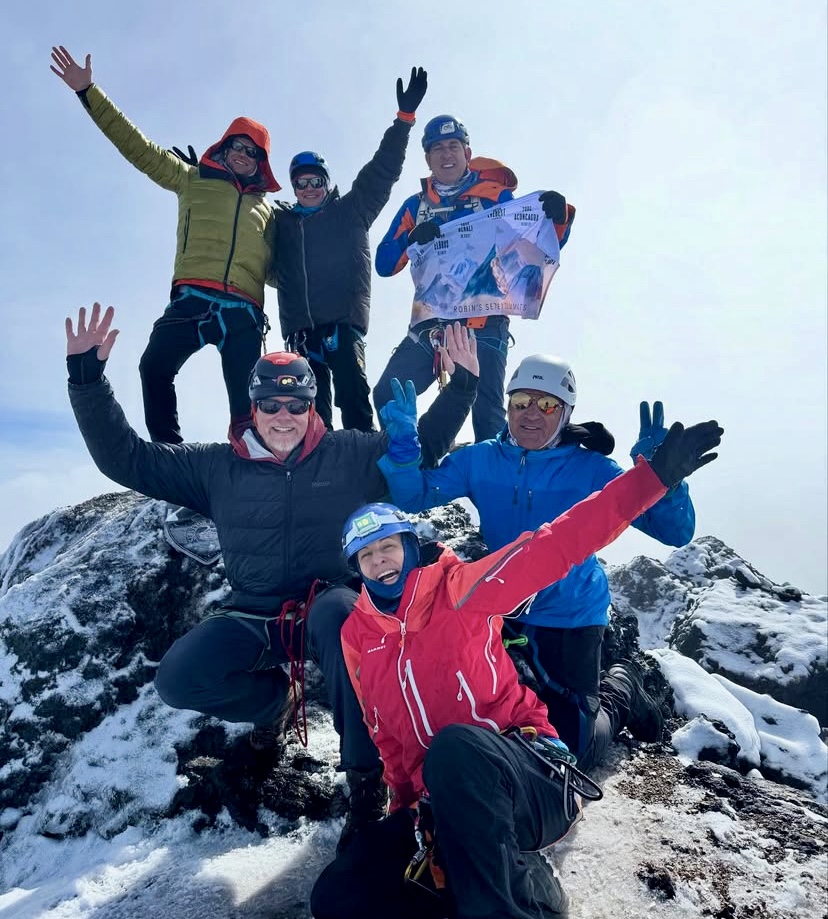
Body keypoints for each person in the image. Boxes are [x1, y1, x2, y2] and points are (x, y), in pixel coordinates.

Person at [64, 303, 478, 846]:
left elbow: (418, 450)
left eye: (296, 403)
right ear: (252, 405)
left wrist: (463, 386)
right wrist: (88, 381)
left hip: (325, 603)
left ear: (312, 406)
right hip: (252, 616)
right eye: (271, 403)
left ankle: (364, 787)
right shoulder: (216, 466)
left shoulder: (348, 454)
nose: (283, 415)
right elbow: (129, 460)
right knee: (178, 678)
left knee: (343, 617)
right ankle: (273, 704)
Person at [310, 415, 722, 919]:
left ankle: (527, 898)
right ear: (356, 568)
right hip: (439, 803)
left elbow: (560, 542)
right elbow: (389, 739)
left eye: (389, 546)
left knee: (454, 749)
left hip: (529, 780)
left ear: (411, 548)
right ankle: (473, 878)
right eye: (366, 554)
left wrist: (651, 479)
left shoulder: (463, 590)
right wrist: (404, 817)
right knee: (337, 896)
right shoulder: (359, 636)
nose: (380, 561)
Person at [377, 354, 703, 773]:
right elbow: (413, 496)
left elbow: (673, 532)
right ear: (508, 406)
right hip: (502, 610)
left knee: (574, 751)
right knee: (491, 721)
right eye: (521, 401)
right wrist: (404, 443)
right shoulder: (480, 460)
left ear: (566, 413)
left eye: (547, 404)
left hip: (569, 615)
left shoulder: (592, 470)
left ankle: (623, 689)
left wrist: (662, 477)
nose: (532, 413)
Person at [51, 45, 280, 445]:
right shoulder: (190, 178)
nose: (244, 155)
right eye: (238, 146)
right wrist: (89, 92)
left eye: (253, 152)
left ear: (262, 163)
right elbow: (138, 149)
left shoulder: (269, 212)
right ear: (224, 148)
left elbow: (281, 271)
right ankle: (169, 456)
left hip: (243, 311)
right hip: (191, 299)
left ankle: (251, 459)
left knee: (250, 398)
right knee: (153, 367)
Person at [372, 114, 576, 442]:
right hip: (432, 326)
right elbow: (384, 263)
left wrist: (557, 218)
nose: (446, 154)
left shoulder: (494, 197)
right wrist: (411, 239)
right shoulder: (417, 205)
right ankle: (410, 464)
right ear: (427, 158)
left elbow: (536, 245)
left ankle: (496, 487)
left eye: (453, 146)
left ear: (468, 153)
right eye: (437, 148)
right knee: (387, 395)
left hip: (483, 323)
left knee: (488, 419)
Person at [269, 67, 428, 433]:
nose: (309, 188)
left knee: (353, 394)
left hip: (342, 325)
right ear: (294, 187)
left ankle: (364, 465)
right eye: (301, 183)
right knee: (308, 407)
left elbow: (382, 171)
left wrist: (403, 121)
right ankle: (315, 474)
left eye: (316, 180)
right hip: (300, 333)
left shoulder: (350, 211)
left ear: (327, 182)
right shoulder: (283, 225)